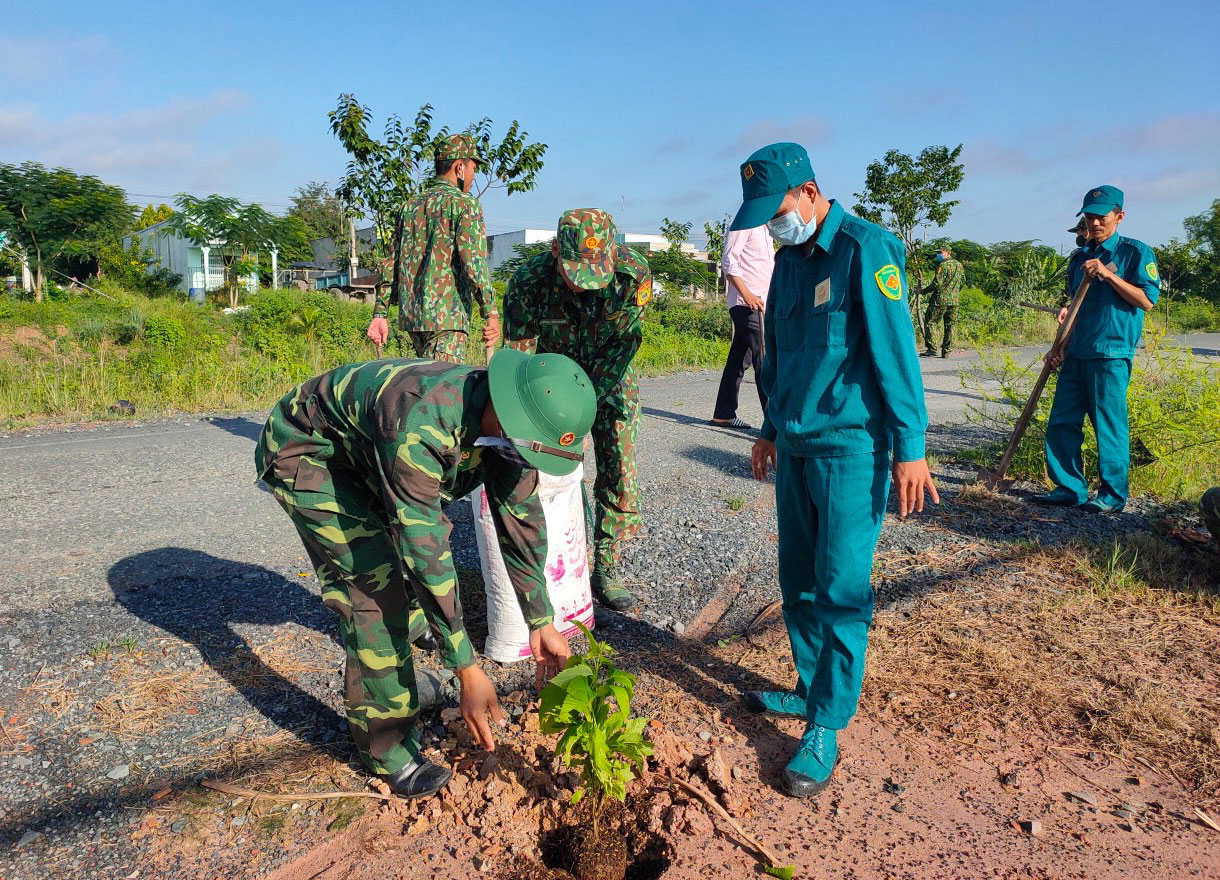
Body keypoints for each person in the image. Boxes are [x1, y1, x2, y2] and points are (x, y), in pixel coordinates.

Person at [254, 351, 596, 798]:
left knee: (403, 551)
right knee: (373, 590)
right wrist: (466, 668)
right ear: (510, 416)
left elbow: (520, 520)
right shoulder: (422, 423)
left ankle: (417, 626)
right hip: (311, 452)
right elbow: (425, 549)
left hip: (370, 453)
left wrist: (541, 619)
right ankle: (389, 750)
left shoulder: (507, 428)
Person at [732, 142, 938, 799]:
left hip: (853, 451)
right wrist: (767, 428)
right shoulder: (788, 262)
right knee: (797, 580)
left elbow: (894, 351)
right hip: (794, 447)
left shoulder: (865, 248)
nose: (773, 223)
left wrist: (911, 446)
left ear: (810, 191)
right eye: (763, 216)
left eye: (778, 208)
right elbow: (781, 358)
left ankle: (826, 722)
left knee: (840, 587)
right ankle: (809, 686)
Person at [503, 209, 652, 613]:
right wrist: (529, 417)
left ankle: (606, 565)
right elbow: (517, 360)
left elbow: (624, 345)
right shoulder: (528, 283)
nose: (586, 287)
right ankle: (553, 560)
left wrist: (587, 404)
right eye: (575, 274)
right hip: (552, 386)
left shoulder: (631, 275)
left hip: (612, 373)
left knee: (619, 467)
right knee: (548, 469)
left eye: (595, 274)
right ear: (555, 251)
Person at [1033, 185, 1159, 514]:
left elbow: (1146, 301)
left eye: (1100, 217)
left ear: (1119, 216)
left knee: (1108, 423)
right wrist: (1058, 346)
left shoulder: (1135, 253)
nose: (1094, 223)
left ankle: (1113, 495)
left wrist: (1107, 274)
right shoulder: (1079, 258)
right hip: (1077, 353)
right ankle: (1069, 487)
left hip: (1110, 354)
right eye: (1088, 217)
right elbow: (1074, 309)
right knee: (1062, 421)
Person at [367, 134, 501, 362]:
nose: (473, 177)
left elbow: (390, 263)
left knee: (426, 385)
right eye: (473, 169)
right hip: (447, 319)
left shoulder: (409, 206)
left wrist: (381, 313)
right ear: (459, 168)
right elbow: (474, 263)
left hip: (414, 319)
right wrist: (491, 312)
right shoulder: (465, 204)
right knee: (442, 392)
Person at [709, 224, 775, 430]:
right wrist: (747, 295)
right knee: (764, 359)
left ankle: (724, 413)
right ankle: (773, 426)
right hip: (749, 304)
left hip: (760, 302)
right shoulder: (743, 224)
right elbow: (729, 262)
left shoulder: (766, 228)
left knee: (739, 359)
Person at [921, 245, 965, 358]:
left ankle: (932, 349)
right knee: (950, 325)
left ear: (948, 253)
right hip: (954, 300)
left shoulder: (943, 265)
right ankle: (946, 351)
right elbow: (963, 281)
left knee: (930, 322)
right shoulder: (959, 265)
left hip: (940, 300)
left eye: (941, 252)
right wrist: (954, 292)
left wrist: (922, 291)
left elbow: (937, 283)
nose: (938, 254)